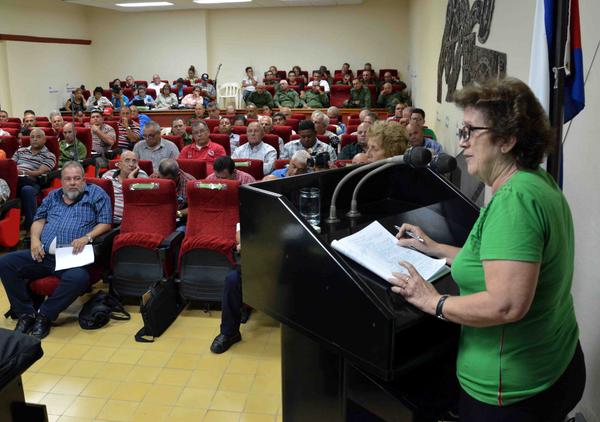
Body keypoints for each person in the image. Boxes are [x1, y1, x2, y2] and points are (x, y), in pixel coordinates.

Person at [388, 77, 585, 422]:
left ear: (508, 140)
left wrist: (432, 301)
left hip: (510, 390)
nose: (462, 144)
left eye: (470, 131)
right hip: (555, 363)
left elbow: (505, 304)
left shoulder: (515, 202)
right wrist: (437, 249)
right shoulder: (534, 181)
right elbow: (496, 263)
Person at [0, 161, 112, 339]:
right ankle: (26, 314)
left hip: (70, 256)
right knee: (5, 263)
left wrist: (87, 237)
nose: (72, 182)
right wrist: (35, 240)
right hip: (43, 254)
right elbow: (39, 220)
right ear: (61, 181)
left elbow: (106, 222)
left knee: (79, 277)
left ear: (84, 179)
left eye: (77, 178)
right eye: (68, 179)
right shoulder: (52, 196)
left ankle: (45, 315)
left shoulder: (97, 194)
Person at [12, 128, 57, 231]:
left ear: (44, 140)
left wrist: (23, 173)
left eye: (38, 137)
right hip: (15, 179)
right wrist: (15, 173)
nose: (34, 139)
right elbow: (11, 165)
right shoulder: (20, 151)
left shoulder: (49, 155)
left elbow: (40, 172)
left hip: (33, 182)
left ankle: (31, 227)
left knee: (27, 189)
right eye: (32, 137)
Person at [210, 224, 242, 354]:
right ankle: (230, 333)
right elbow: (239, 236)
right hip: (256, 260)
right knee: (232, 279)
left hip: (284, 260)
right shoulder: (250, 209)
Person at [102, 150, 148, 223]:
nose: (131, 164)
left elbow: (143, 197)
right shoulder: (108, 175)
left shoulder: (142, 176)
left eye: (134, 161)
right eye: (127, 160)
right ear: (119, 165)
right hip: (107, 218)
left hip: (129, 220)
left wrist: (131, 180)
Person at [151, 159, 195, 226]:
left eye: (170, 181)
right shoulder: (154, 178)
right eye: (163, 180)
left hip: (180, 217)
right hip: (157, 216)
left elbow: (195, 208)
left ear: (178, 175)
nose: (166, 184)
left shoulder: (189, 183)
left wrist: (178, 213)